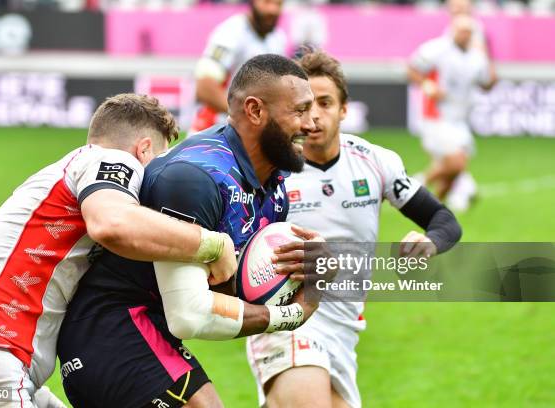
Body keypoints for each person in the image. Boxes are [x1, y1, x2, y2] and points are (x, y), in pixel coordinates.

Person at [57, 54, 326, 408]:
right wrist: (293, 314)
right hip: (110, 330)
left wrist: (308, 269)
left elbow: (230, 284)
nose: (313, 122)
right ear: (255, 111)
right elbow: (190, 314)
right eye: (301, 110)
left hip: (149, 328)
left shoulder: (274, 183)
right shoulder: (195, 179)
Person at [0, 93, 237, 407]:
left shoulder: (68, 169)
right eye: (161, 161)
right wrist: (211, 244)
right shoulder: (111, 159)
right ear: (145, 148)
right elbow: (112, 223)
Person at [246, 50, 463, 408]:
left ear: (344, 109)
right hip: (286, 315)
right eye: (303, 106)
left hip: (345, 326)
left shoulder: (375, 162)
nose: (313, 116)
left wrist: (429, 242)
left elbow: (445, 221)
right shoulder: (269, 169)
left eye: (325, 103)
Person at [409, 15, 497, 211]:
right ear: (453, 31)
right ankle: (417, 183)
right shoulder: (437, 49)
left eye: (468, 32)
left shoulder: (477, 56)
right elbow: (412, 69)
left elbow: (488, 84)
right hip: (437, 115)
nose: (464, 35)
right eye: (461, 31)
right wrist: (427, 84)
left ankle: (435, 209)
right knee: (456, 163)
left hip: (460, 119)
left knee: (456, 169)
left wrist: (489, 58)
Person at [191, 0, 286, 133]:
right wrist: (246, 115)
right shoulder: (230, 33)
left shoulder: (278, 39)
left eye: (278, 4)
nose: (273, 10)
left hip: (248, 134)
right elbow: (204, 88)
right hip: (213, 133)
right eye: (267, 2)